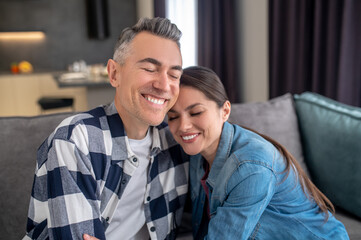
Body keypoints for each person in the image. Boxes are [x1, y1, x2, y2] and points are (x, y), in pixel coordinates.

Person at [23, 17, 189, 240]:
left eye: (174, 75)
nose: (163, 85)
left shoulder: (176, 142)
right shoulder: (75, 140)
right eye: (150, 68)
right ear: (114, 74)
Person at [167, 66, 350, 239]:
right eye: (173, 116)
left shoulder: (250, 166)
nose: (183, 126)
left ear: (225, 111)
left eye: (196, 112)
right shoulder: (197, 153)